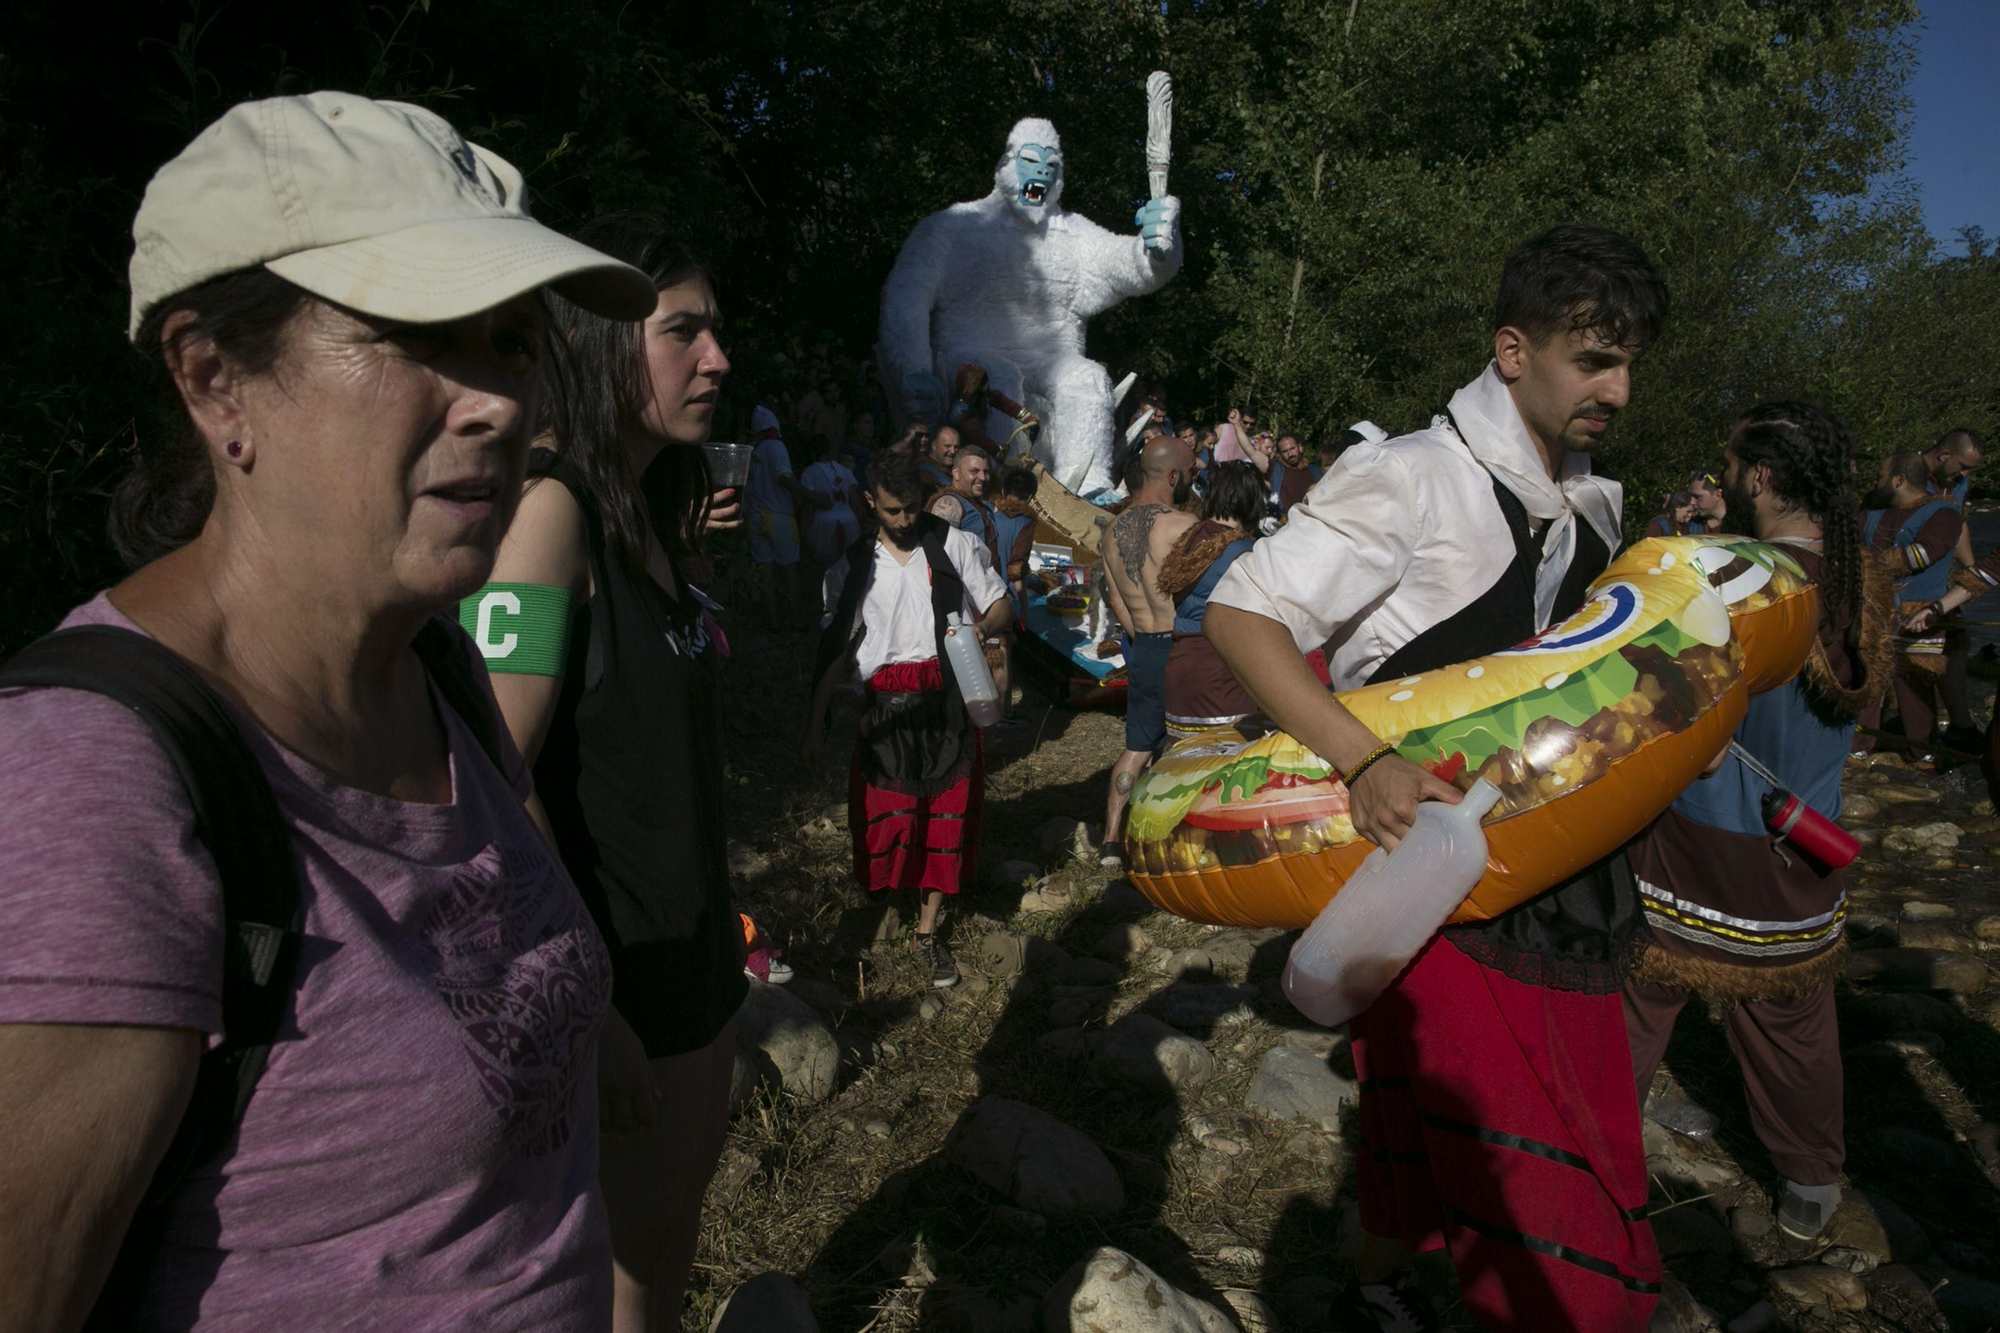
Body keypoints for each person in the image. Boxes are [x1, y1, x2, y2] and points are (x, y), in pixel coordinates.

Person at [0, 93, 654, 1329]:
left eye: (510, 338)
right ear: (213, 379)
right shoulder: (90, 785)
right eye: (421, 333)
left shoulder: (434, 667)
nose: (498, 401)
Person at [1205, 223, 1666, 1330]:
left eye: (1627, 361)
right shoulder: (1409, 477)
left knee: (1426, 1139)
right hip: (1442, 890)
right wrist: (1359, 756)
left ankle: (1371, 1288)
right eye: (1590, 357)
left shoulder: (1595, 501)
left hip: (1564, 880)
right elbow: (1241, 611)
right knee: (1546, 1213)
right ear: (1511, 350)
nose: (1616, 385)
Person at [472, 213, 745, 1333]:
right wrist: (589, 1004)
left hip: (690, 953)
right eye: (682, 331)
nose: (716, 359)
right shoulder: (547, 518)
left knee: (662, 1241)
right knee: (619, 1261)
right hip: (619, 975)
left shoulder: (638, 514)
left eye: (715, 332)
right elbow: (492, 763)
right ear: (597, 345)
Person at [1624, 400, 1889, 1244]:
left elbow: (1694, 742)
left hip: (1701, 836)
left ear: (1763, 478)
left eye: (1734, 466)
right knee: (1797, 1020)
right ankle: (1810, 1180)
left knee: (1633, 992)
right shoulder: (1864, 576)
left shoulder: (1742, 580)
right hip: (1807, 841)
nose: (1725, 480)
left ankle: (1593, 1145)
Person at [803, 453, 1012, 988]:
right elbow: (834, 651)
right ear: (869, 503)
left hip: (947, 699)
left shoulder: (953, 546)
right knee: (892, 822)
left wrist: (980, 633)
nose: (905, 520)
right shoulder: (850, 569)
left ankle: (926, 930)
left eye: (913, 508)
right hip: (887, 711)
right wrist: (813, 725)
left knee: (946, 817)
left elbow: (1001, 604)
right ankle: (889, 907)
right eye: (894, 511)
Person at [1098, 436, 1201, 866]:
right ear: (1173, 475)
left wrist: (1139, 635)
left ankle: (1109, 840)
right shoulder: (1181, 526)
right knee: (1184, 746)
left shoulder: (1110, 532)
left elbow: (1116, 600)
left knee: (1137, 746)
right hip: (1177, 646)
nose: (1194, 480)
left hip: (1141, 644)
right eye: (1192, 473)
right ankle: (1172, 837)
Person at [1857, 451, 1964, 760]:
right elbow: (1848, 540)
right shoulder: (1873, 509)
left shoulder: (1945, 514)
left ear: (1899, 480)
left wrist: (1865, 561)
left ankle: (1923, 752)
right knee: (1866, 680)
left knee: (1914, 685)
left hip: (1919, 615)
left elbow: (1921, 555)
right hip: (1873, 611)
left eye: (1880, 476)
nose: (1875, 482)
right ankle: (1857, 750)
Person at [1161, 461, 1266, 742]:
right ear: (1251, 499)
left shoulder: (1191, 537)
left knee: (1182, 775)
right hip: (1220, 674)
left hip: (1180, 666)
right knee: (1226, 775)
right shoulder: (1245, 554)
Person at [1922, 427, 1987, 747]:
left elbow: (1958, 524)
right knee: (1919, 651)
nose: (1964, 474)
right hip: (1913, 579)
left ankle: (1960, 723)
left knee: (1955, 642)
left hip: (1942, 579)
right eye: (1962, 466)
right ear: (1944, 455)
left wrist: (1972, 572)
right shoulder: (1906, 475)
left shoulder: (1957, 483)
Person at [745, 405, 812, 626]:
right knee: (789, 568)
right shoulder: (775, 447)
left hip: (755, 516)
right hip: (779, 517)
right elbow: (784, 477)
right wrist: (810, 495)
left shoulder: (752, 451)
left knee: (765, 570)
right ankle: (796, 620)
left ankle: (772, 622)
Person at [803, 433, 864, 567]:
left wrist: (803, 534)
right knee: (848, 570)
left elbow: (809, 507)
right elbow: (856, 505)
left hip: (823, 527)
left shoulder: (809, 472)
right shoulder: (845, 471)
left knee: (825, 571)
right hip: (850, 523)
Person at [921, 424, 961, 492]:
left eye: (956, 447)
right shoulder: (926, 473)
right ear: (934, 445)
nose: (953, 451)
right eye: (947, 446)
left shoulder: (953, 469)